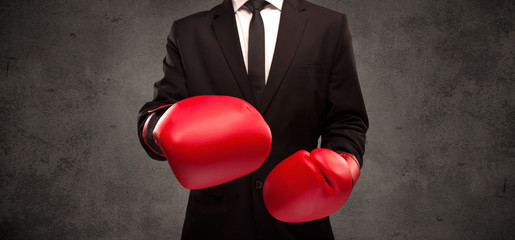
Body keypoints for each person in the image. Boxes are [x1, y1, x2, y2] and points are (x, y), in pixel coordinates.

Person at [137, 0, 368, 239]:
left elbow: (347, 118)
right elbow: (157, 112)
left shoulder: (329, 26)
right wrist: (162, 133)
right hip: (214, 226)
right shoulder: (187, 31)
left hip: (300, 226)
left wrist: (343, 167)